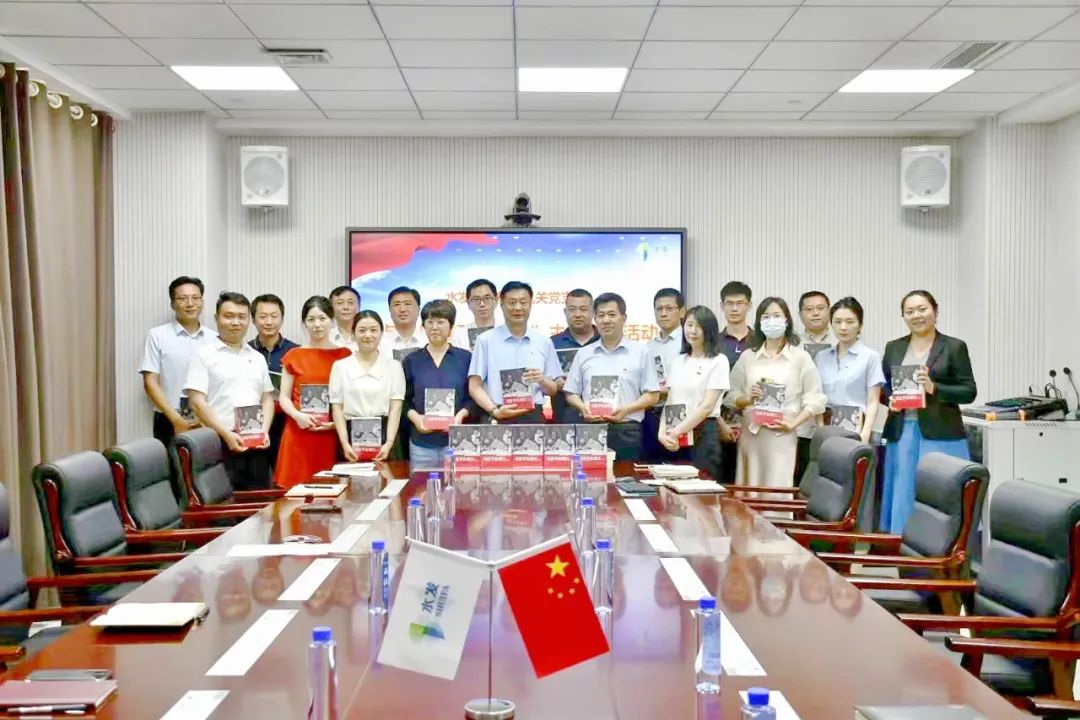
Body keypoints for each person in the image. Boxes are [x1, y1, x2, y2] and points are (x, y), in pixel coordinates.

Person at [880, 290, 976, 533]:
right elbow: (885, 386)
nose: (916, 315)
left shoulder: (954, 347)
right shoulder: (894, 347)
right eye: (909, 311)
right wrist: (889, 399)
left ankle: (945, 546)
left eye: (922, 309)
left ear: (935, 311)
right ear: (903, 316)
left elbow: (968, 391)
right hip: (902, 433)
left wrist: (934, 388)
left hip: (942, 433)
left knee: (941, 494)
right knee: (904, 493)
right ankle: (902, 544)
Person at [728, 297, 826, 489]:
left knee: (777, 488)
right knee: (750, 489)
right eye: (766, 317)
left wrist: (793, 424)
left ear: (787, 320)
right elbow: (731, 396)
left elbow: (815, 399)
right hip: (752, 435)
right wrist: (748, 399)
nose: (771, 321)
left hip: (782, 434)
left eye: (776, 316)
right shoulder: (748, 357)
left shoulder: (800, 357)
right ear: (759, 322)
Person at [184, 292, 275, 490]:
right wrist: (226, 434)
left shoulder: (257, 357)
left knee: (260, 500)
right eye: (229, 316)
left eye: (242, 317)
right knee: (224, 502)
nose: (236, 322)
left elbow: (267, 398)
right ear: (216, 318)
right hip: (218, 442)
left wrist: (264, 431)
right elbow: (197, 402)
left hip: (255, 443)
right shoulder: (203, 355)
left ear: (249, 320)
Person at [564, 292, 660, 460]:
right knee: (591, 475)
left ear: (624, 318)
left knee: (626, 475)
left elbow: (653, 395)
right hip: (592, 430)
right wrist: (583, 408)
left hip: (627, 430)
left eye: (612, 314)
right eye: (601, 315)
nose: (606, 320)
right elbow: (571, 392)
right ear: (595, 319)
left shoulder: (641, 352)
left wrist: (627, 409)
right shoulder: (584, 353)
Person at [273, 296, 351, 489]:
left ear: (332, 321)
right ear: (304, 323)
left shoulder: (345, 356)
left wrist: (337, 423)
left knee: (333, 494)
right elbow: (284, 397)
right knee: (295, 496)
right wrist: (297, 416)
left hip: (332, 434)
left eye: (322, 318)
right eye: (311, 319)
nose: (317, 324)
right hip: (299, 432)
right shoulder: (293, 355)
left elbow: (351, 397)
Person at [468, 281, 561, 425]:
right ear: (501, 304)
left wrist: (542, 380)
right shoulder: (485, 340)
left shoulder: (544, 342)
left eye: (523, 302)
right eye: (512, 302)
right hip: (497, 415)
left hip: (533, 416)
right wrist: (494, 411)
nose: (518, 307)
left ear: (531, 304)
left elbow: (553, 390)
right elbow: (474, 386)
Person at [140, 276, 216, 446]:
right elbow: (150, 383)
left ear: (202, 302)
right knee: (170, 463)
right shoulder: (157, 335)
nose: (190, 303)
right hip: (168, 417)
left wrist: (204, 417)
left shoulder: (215, 339)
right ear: (173, 304)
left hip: (207, 417)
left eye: (196, 298)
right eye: (183, 298)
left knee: (208, 463)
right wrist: (176, 419)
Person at [658, 305, 730, 481]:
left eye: (699, 326)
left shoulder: (719, 361)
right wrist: (662, 433)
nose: (693, 331)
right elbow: (670, 400)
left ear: (709, 330)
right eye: (689, 325)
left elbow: (707, 406)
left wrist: (676, 432)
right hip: (675, 433)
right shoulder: (678, 361)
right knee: (672, 488)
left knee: (702, 488)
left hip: (703, 432)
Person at [403, 299, 472, 469]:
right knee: (421, 484)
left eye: (440, 322)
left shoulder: (466, 359)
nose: (434, 327)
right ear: (423, 326)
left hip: (457, 443)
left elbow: (473, 397)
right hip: (421, 444)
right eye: (429, 322)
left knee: (457, 485)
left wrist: (460, 416)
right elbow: (403, 400)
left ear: (451, 326)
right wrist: (417, 419)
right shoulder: (411, 360)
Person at [330, 310, 406, 462]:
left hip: (386, 437)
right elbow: (337, 408)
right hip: (350, 438)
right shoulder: (340, 366)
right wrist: (344, 443)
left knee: (387, 476)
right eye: (362, 330)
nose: (368, 335)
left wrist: (389, 442)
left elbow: (395, 408)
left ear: (381, 333)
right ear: (353, 334)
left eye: (373, 330)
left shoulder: (394, 366)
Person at [814, 297, 885, 446]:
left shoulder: (870, 357)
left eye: (850, 321)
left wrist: (865, 434)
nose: (843, 327)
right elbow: (816, 397)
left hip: (855, 429)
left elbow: (873, 401)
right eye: (837, 322)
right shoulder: (822, 357)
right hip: (826, 428)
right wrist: (820, 428)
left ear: (860, 325)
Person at [249, 294, 299, 468]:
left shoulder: (295, 352)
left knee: (285, 471)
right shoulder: (245, 351)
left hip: (287, 422)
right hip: (254, 423)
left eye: (274, 316)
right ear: (253, 319)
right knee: (257, 474)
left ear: (282, 319)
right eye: (263, 317)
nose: (269, 322)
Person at [794, 291, 833, 480]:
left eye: (820, 308)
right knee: (800, 479)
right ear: (800, 314)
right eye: (809, 309)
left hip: (834, 424)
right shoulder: (792, 344)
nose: (815, 313)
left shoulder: (842, 340)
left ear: (829, 311)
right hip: (800, 424)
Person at [644, 288, 687, 463]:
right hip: (651, 414)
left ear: (682, 311)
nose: (663, 313)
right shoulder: (649, 346)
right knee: (651, 468)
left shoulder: (689, 341)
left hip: (680, 415)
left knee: (680, 468)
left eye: (669, 308)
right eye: (659, 309)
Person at [717, 281, 753, 484]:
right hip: (721, 423)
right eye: (729, 303)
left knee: (750, 480)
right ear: (722, 306)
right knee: (723, 480)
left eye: (740, 303)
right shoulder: (714, 342)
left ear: (749, 305)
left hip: (754, 422)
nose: (734, 308)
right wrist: (720, 423)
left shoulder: (759, 341)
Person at [550, 288, 600, 424]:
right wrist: (554, 383)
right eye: (572, 309)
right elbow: (544, 381)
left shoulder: (605, 341)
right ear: (565, 312)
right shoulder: (552, 344)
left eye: (583, 309)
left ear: (593, 312)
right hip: (563, 417)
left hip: (601, 416)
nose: (578, 314)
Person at [381, 286, 426, 356]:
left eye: (407, 304)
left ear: (418, 309)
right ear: (390, 310)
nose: (402, 309)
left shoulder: (429, 339)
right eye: (397, 304)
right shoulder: (379, 342)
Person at [329, 286, 360, 351]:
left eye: (350, 302)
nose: (346, 307)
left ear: (359, 306)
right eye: (340, 303)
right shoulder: (325, 337)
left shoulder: (370, 336)